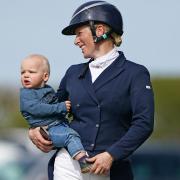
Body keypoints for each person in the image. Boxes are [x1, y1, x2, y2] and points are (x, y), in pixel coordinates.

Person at [29, 1, 154, 180]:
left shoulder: (135, 73)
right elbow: (50, 109)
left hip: (109, 167)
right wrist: (34, 128)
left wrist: (111, 154)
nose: (75, 41)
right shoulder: (73, 73)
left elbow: (144, 123)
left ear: (100, 31)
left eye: (79, 33)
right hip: (68, 163)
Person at [20, 54, 91, 173]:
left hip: (57, 125)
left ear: (45, 76)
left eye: (31, 72)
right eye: (23, 72)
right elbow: (38, 109)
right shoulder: (26, 95)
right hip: (48, 129)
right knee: (70, 136)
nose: (26, 75)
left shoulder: (46, 89)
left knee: (70, 133)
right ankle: (83, 162)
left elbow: (55, 101)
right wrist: (61, 107)